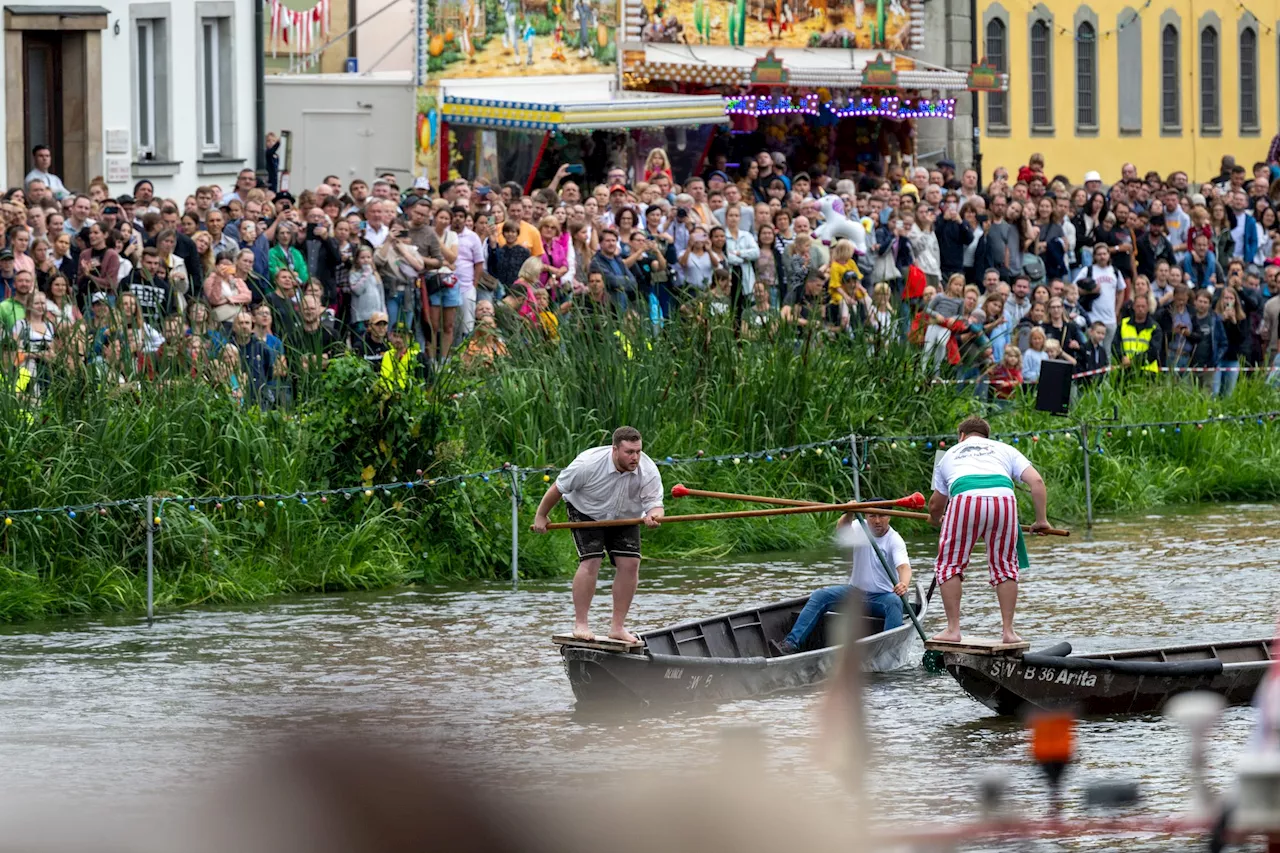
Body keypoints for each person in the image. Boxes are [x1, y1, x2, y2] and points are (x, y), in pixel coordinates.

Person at [530, 426, 664, 644]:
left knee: (630, 564)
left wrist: (654, 516)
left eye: (638, 451)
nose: (635, 457)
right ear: (614, 449)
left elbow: (655, 505)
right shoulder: (587, 464)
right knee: (591, 561)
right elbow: (558, 488)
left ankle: (617, 627)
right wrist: (541, 516)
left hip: (625, 516)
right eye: (629, 452)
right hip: (586, 510)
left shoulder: (648, 470)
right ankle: (581, 624)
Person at [928, 416, 1051, 645]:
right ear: (986, 437)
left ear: (961, 436)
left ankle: (953, 629)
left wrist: (936, 519)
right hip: (1003, 499)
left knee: (950, 564)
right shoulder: (1005, 449)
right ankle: (1009, 632)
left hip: (965, 498)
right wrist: (1041, 520)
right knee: (1004, 565)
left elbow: (936, 504)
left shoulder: (949, 454)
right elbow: (1037, 482)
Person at [770, 503, 911, 656]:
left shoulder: (894, 540)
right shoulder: (859, 527)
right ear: (865, 516)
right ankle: (790, 644)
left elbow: (904, 568)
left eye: (882, 515)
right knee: (819, 596)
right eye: (872, 516)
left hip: (883, 598)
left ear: (889, 517)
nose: (877, 521)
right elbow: (842, 528)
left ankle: (886, 654)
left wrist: (903, 583)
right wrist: (850, 512)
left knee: (895, 602)